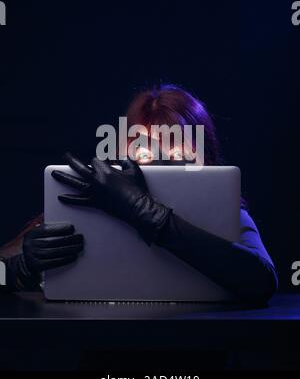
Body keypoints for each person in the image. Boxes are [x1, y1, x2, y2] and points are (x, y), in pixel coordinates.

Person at [0, 84, 278, 304]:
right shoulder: (89, 202)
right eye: (145, 153)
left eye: (180, 154)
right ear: (124, 156)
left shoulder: (227, 213)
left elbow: (261, 281)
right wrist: (22, 268)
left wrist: (143, 212)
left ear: (206, 158)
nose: (162, 164)